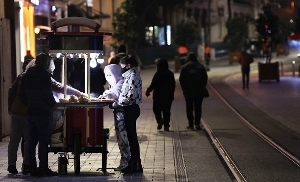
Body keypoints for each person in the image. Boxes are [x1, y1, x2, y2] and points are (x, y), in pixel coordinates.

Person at [19, 53, 58, 176]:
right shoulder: (45, 76)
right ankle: (43, 168)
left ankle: (32, 168)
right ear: (47, 63)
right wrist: (52, 104)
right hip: (43, 112)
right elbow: (47, 94)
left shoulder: (26, 75)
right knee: (43, 141)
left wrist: (30, 103)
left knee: (31, 141)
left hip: (31, 112)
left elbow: (22, 95)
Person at [110, 55, 143, 173]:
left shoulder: (133, 76)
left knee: (132, 138)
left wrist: (117, 103)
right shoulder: (128, 76)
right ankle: (134, 163)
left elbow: (130, 96)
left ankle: (136, 164)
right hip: (129, 108)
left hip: (130, 109)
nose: (120, 66)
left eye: (122, 64)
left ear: (128, 65)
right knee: (131, 137)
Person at [99, 58, 130, 171]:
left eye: (110, 75)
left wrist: (107, 95)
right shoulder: (114, 83)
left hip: (122, 114)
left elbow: (115, 93)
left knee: (123, 137)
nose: (108, 77)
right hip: (118, 113)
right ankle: (125, 161)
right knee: (120, 137)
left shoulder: (121, 82)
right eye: (106, 75)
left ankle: (126, 162)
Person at [7, 59, 31, 175]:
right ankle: (26, 164)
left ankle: (11, 165)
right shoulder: (34, 77)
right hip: (27, 112)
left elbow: (11, 91)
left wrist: (10, 107)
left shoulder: (20, 77)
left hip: (16, 110)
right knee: (27, 140)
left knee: (14, 140)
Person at [179, 52, 208, 130]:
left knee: (189, 107)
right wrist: (202, 86)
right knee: (198, 107)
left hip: (188, 91)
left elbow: (181, 79)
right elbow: (205, 78)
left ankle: (191, 124)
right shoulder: (200, 66)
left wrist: (184, 89)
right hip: (198, 91)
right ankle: (197, 124)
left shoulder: (184, 67)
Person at [145, 58, 175, 131]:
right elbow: (173, 85)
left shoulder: (158, 74)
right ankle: (166, 125)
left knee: (156, 109)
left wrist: (148, 91)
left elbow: (153, 84)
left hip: (158, 95)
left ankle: (160, 121)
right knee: (166, 110)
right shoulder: (170, 73)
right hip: (168, 95)